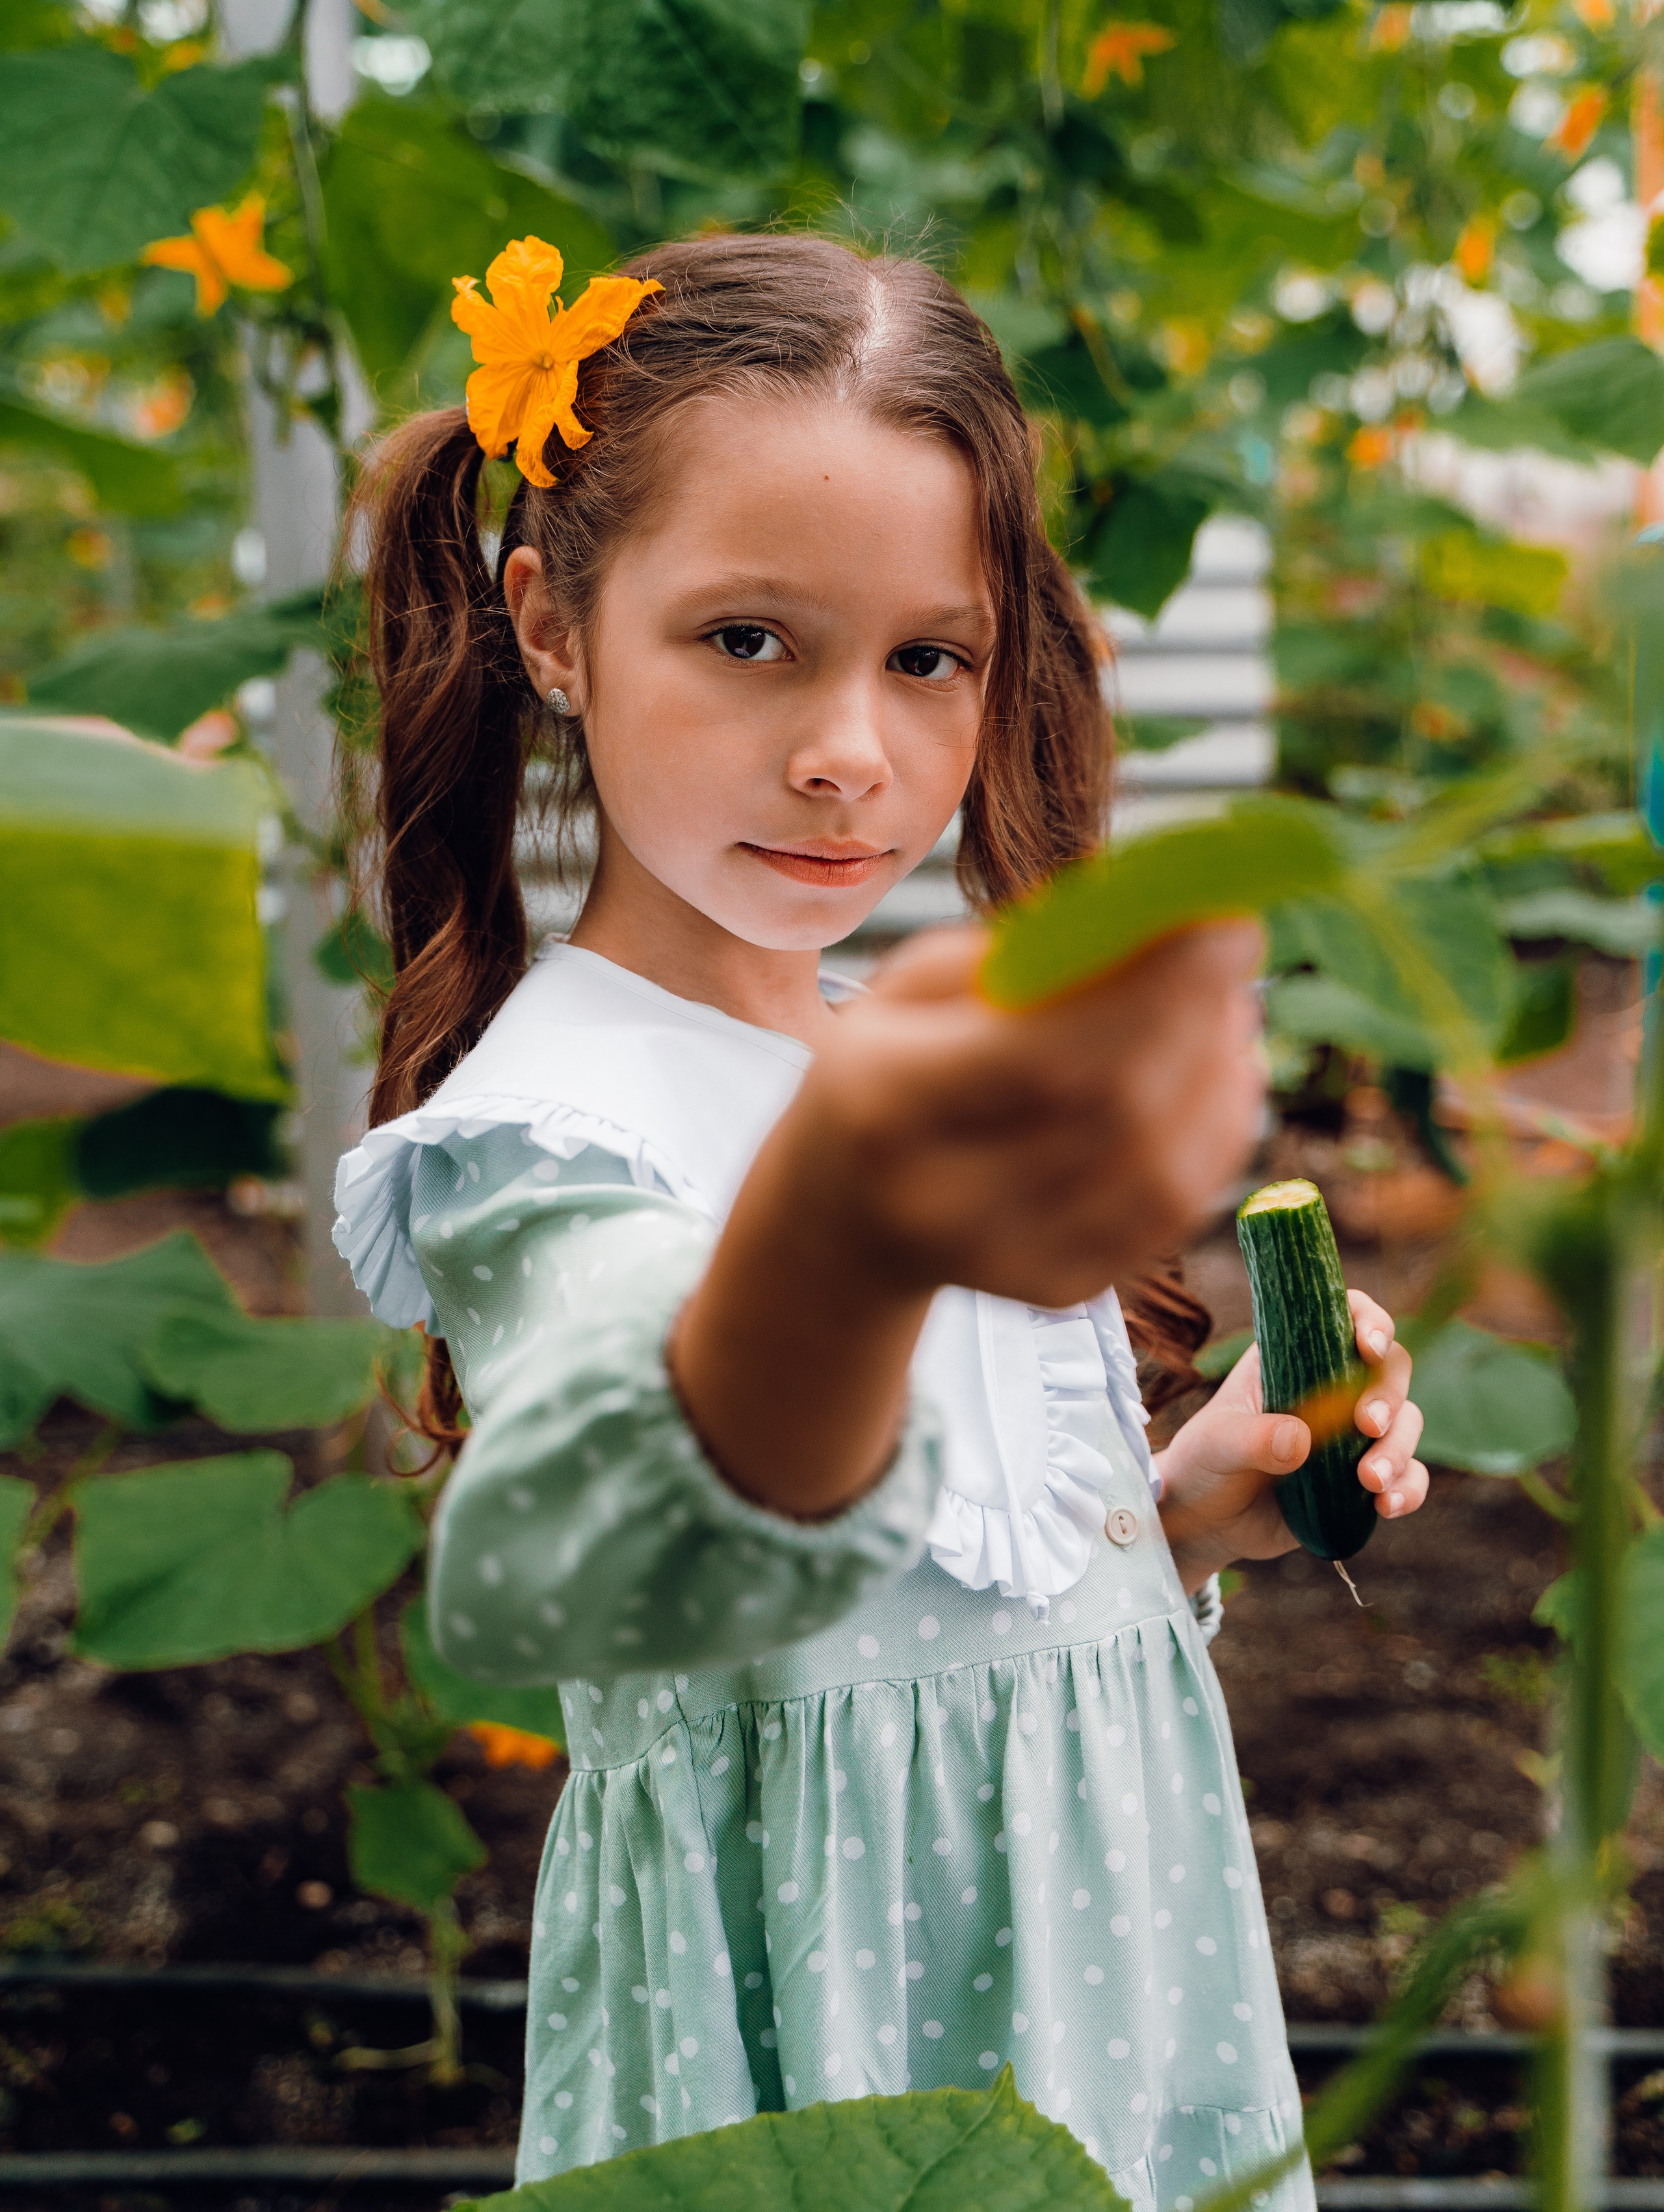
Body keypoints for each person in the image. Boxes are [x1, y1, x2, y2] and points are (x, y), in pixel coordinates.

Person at [332, 231, 1425, 2202]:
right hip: (845, 2071)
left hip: (1129, 1994)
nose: (853, 749)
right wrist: (847, 1218)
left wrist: (1184, 1510)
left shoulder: (889, 1063)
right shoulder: (558, 1130)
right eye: (750, 638)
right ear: (553, 628)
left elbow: (960, 1611)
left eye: (928, 657)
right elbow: (569, 1550)